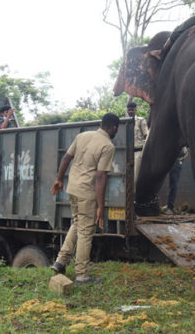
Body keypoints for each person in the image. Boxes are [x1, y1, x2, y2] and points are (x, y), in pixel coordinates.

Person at [49, 113, 120, 284]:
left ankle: (60, 261)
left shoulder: (82, 136)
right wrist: (101, 207)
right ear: (113, 128)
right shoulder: (107, 146)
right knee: (86, 232)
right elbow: (101, 176)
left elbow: (66, 158)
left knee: (77, 223)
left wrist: (59, 178)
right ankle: (81, 275)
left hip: (72, 188)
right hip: (86, 193)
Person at [161, 147, 189, 215]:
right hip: (175, 162)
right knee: (172, 185)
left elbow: (183, 153)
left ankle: (170, 208)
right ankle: (169, 206)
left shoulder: (183, 147)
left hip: (175, 163)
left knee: (173, 185)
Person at [127, 102, 148, 182]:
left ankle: (135, 193)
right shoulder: (125, 121)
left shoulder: (140, 121)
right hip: (127, 153)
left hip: (137, 152)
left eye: (132, 110)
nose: (130, 112)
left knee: (136, 176)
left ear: (136, 110)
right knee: (126, 175)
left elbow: (146, 135)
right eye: (129, 110)